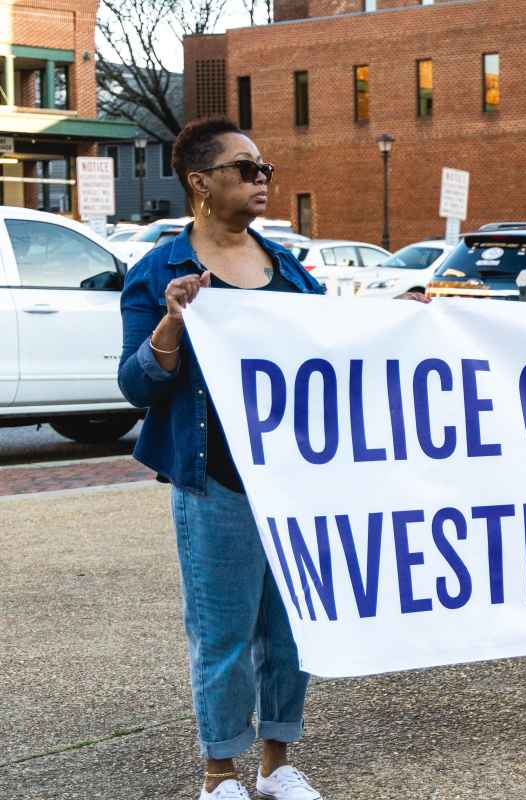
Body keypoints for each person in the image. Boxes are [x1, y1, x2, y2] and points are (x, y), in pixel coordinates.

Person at [118, 117, 425, 800]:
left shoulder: (284, 268)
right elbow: (137, 385)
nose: (262, 181)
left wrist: (401, 318)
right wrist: (173, 321)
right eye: (245, 169)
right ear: (201, 181)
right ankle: (219, 772)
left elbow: (327, 349)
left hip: (291, 480)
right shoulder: (158, 271)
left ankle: (275, 762)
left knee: (289, 629)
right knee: (221, 631)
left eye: (265, 170)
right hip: (216, 480)